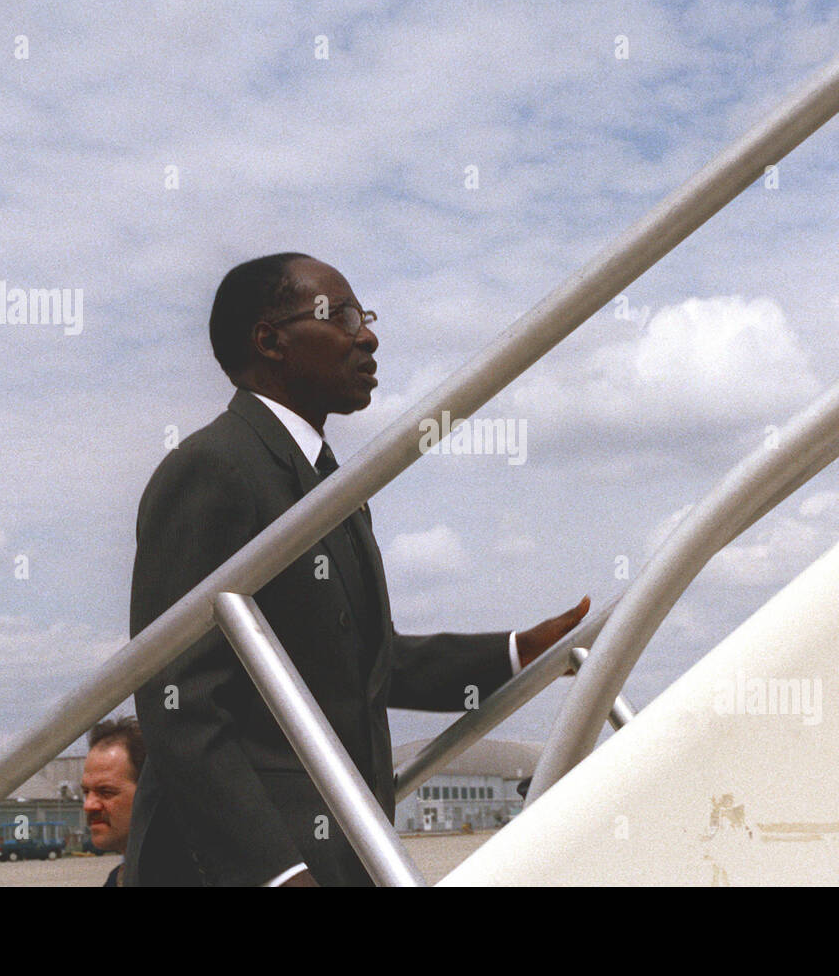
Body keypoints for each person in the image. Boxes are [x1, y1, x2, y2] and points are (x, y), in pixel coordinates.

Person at [124, 253, 588, 886]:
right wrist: (274, 873)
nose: (367, 335)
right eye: (340, 316)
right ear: (270, 340)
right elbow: (178, 698)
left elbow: (364, 664)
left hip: (342, 849)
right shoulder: (213, 468)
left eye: (363, 316)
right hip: (244, 869)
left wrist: (517, 652)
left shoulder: (329, 485)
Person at [81, 716, 144, 887]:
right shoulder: (117, 880)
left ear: (146, 794)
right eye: (86, 792)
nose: (88, 805)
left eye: (106, 792)